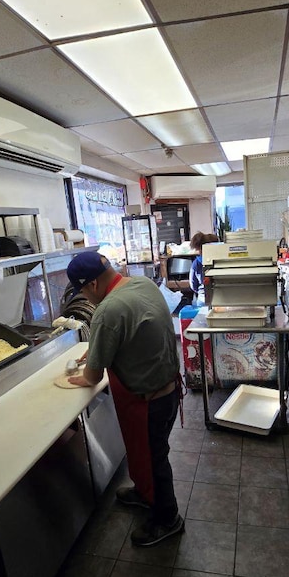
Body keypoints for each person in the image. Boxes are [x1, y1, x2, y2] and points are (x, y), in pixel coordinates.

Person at [65, 250, 184, 547]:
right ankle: (145, 494)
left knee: (154, 460)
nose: (84, 297)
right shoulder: (140, 283)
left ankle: (168, 519)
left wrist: (83, 375)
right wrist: (96, 351)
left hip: (149, 401)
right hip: (167, 388)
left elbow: (92, 376)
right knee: (144, 455)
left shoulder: (108, 310)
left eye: (82, 290)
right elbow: (130, 333)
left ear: (92, 285)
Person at [189, 231, 219, 306]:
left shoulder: (196, 263)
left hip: (203, 299)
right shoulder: (220, 260)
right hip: (221, 297)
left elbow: (193, 285)